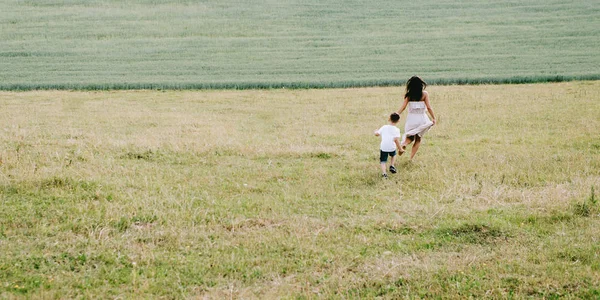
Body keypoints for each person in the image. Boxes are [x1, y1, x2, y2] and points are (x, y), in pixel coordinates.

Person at [397, 76, 436, 160]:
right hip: (421, 119)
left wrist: (396, 114)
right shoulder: (424, 94)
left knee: (410, 136)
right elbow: (429, 107)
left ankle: (404, 144)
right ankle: (411, 158)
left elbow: (403, 107)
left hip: (411, 119)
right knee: (418, 139)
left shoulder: (408, 95)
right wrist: (433, 118)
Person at [374, 112, 402, 178]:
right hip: (392, 147)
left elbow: (377, 134)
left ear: (389, 118)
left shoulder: (384, 127)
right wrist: (400, 148)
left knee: (383, 161)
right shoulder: (397, 130)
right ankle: (392, 165)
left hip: (383, 147)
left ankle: (384, 173)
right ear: (398, 121)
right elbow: (396, 140)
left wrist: (375, 131)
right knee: (393, 155)